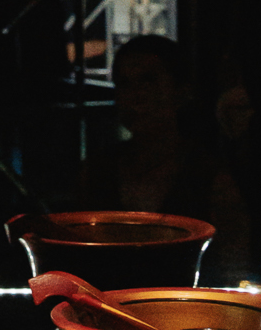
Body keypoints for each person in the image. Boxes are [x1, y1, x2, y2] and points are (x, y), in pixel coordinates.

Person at [74, 33, 251, 278]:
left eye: (148, 81)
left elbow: (234, 268)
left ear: (181, 92)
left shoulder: (207, 177)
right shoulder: (97, 172)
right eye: (124, 84)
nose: (135, 96)